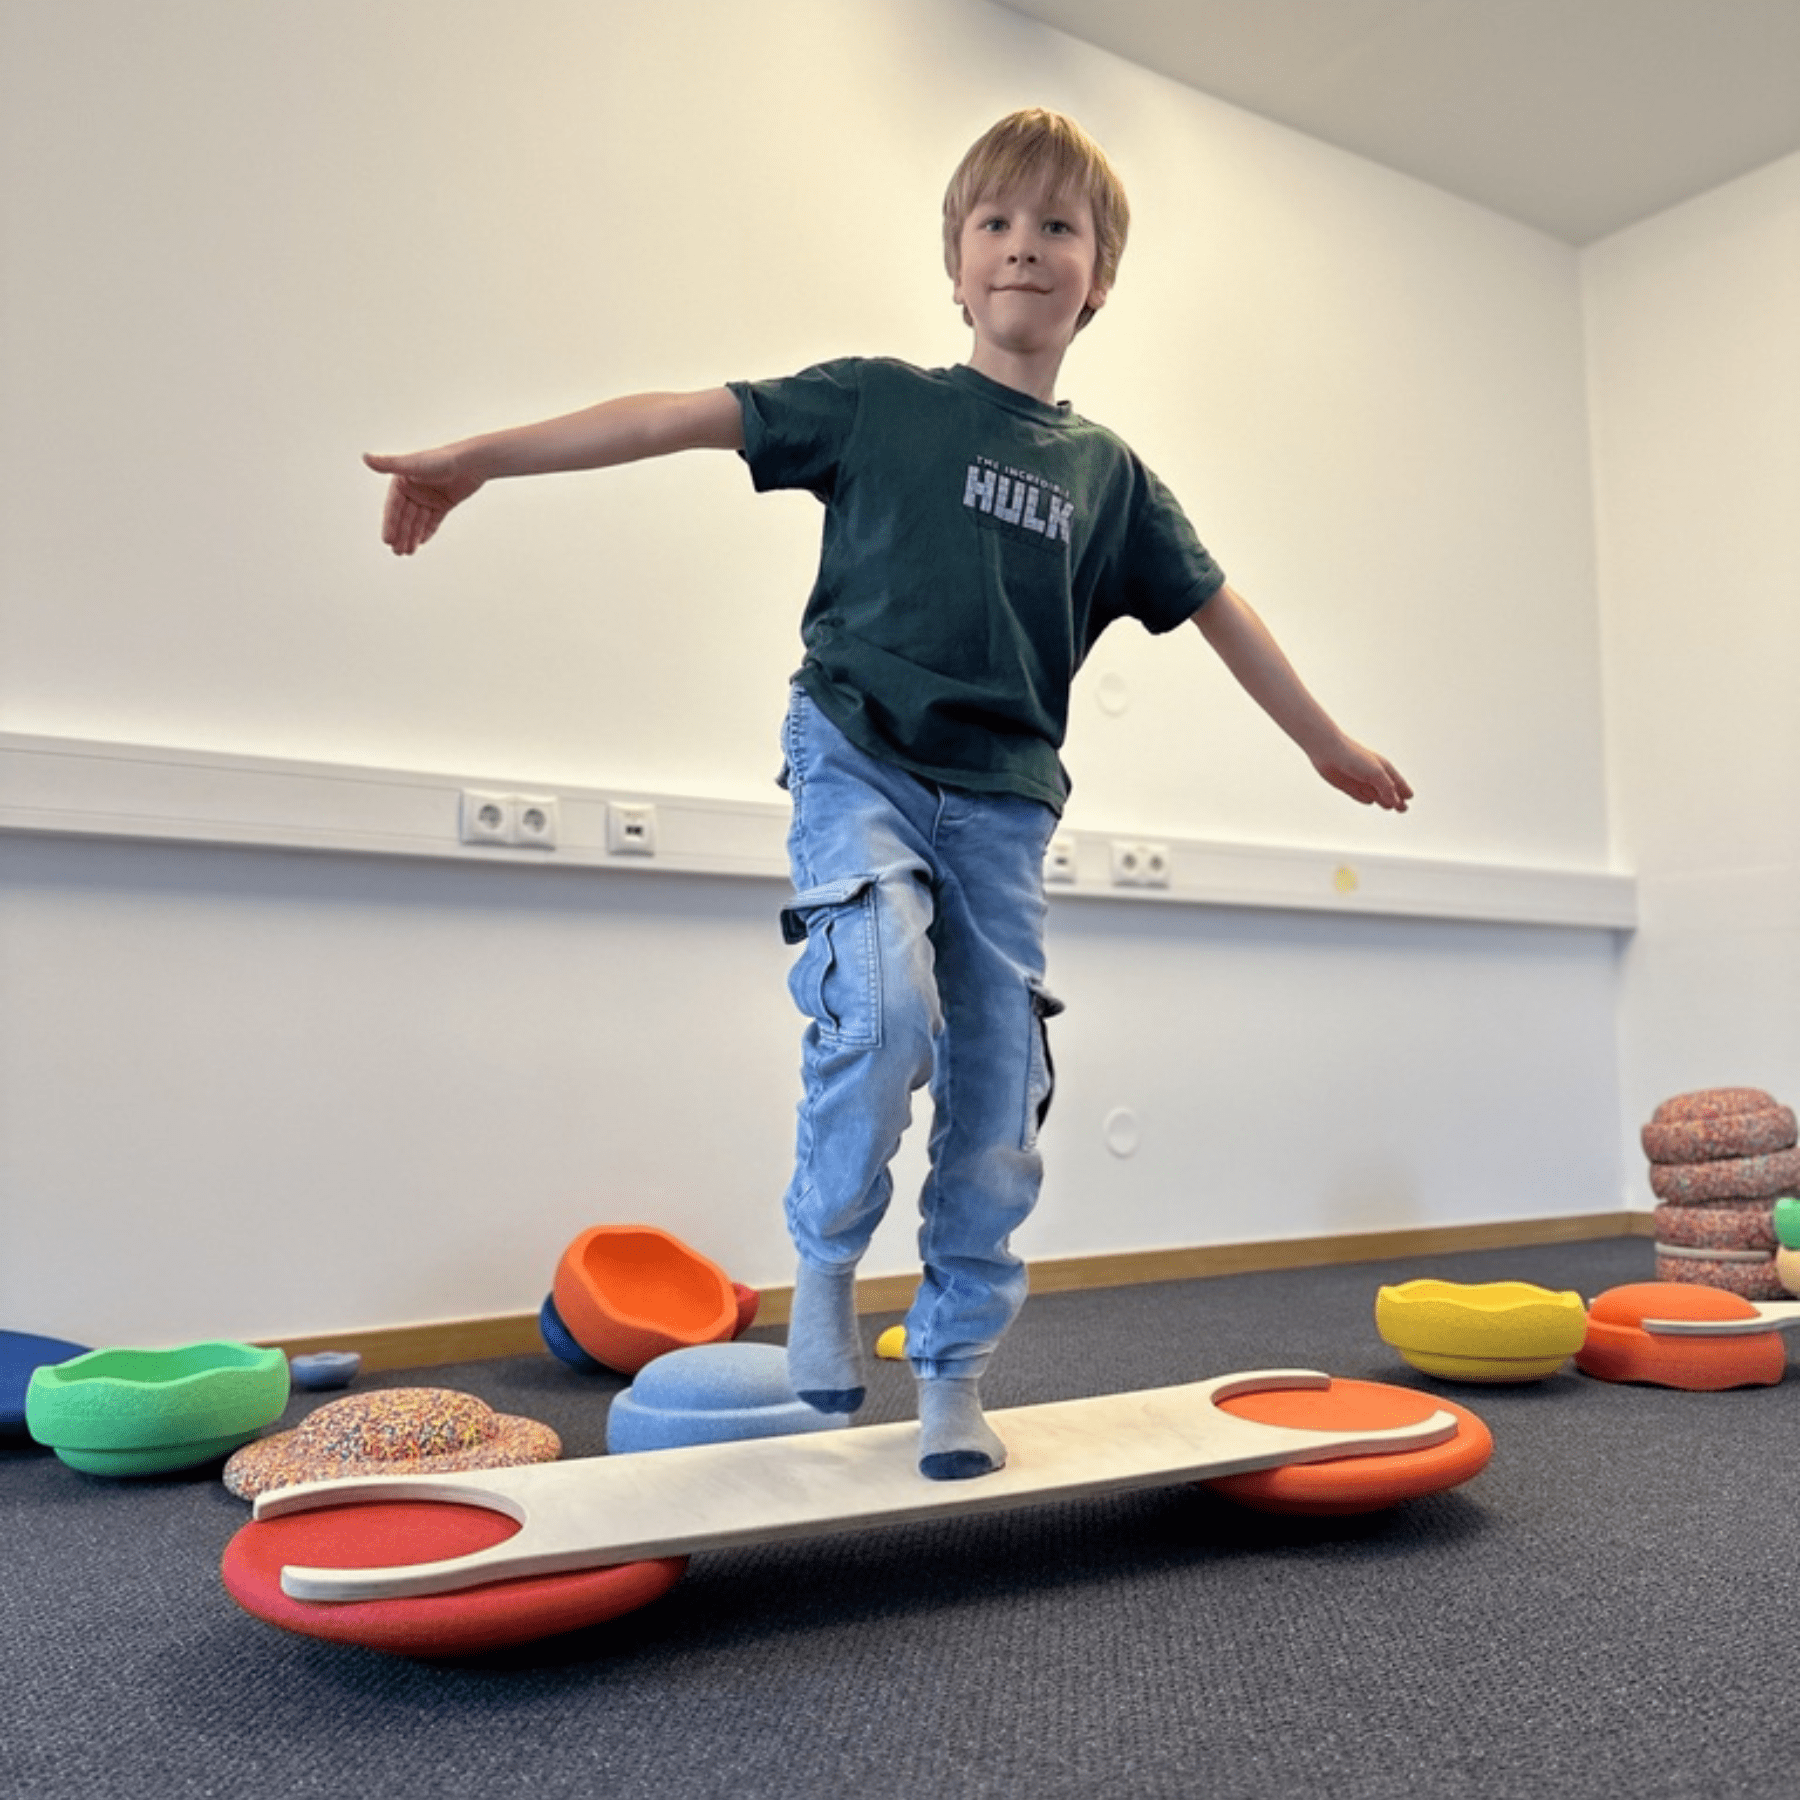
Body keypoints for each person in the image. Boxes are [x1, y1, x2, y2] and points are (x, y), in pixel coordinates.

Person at [366, 108, 1412, 1481]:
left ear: (1099, 278)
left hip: (1002, 807)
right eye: (997, 225)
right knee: (882, 1000)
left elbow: (1223, 613)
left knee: (997, 1089)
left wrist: (1324, 745)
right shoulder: (882, 402)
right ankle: (821, 1273)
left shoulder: (1108, 477)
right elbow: (675, 415)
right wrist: (479, 457)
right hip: (857, 753)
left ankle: (953, 1374)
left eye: (1058, 230)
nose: (1025, 249)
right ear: (957, 264)